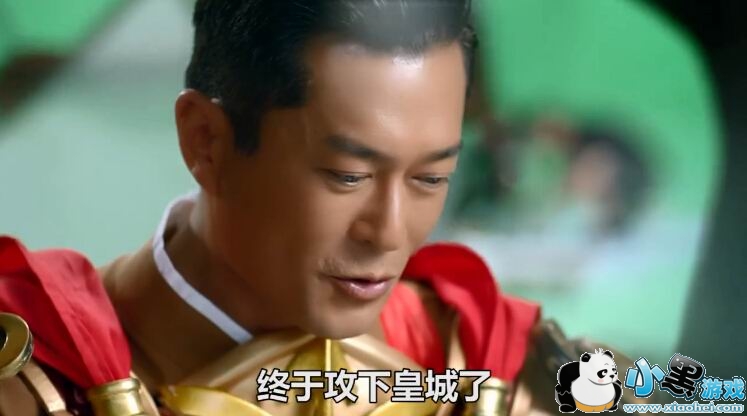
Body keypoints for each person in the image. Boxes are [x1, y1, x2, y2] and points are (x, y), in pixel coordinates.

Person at [0, 1, 661, 414]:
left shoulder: (490, 361)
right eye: (348, 175)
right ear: (206, 143)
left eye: (431, 178)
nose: (390, 233)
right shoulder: (37, 376)